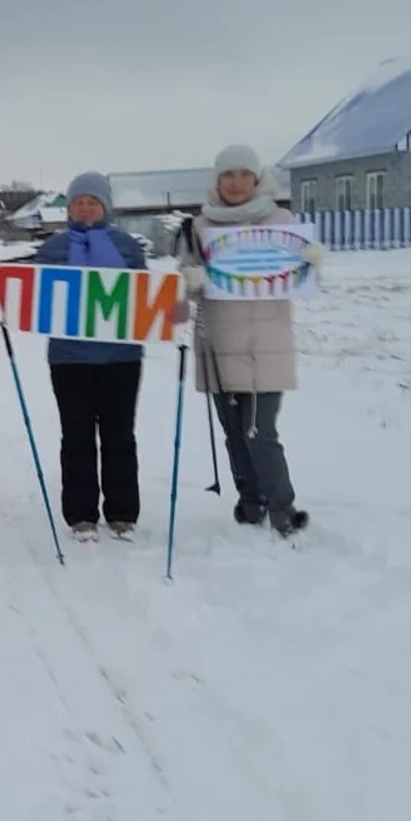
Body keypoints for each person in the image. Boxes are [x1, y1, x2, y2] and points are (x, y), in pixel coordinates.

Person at [174, 145, 325, 537]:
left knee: (261, 433)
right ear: (217, 180)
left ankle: (282, 507)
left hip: (264, 346)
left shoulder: (282, 222)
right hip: (218, 345)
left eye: (245, 174)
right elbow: (184, 291)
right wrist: (190, 281)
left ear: (258, 179)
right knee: (235, 435)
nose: (237, 183)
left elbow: (304, 281)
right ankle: (251, 501)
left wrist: (311, 263)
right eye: (228, 175)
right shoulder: (198, 227)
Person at [30, 171, 148, 541]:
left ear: (105, 206)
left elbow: (145, 293)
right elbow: (33, 290)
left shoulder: (126, 246)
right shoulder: (54, 247)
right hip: (69, 358)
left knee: (119, 434)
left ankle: (122, 512)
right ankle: (81, 514)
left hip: (121, 357)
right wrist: (4, 285)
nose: (84, 207)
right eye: (78, 202)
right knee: (76, 436)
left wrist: (170, 306)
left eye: (92, 201)